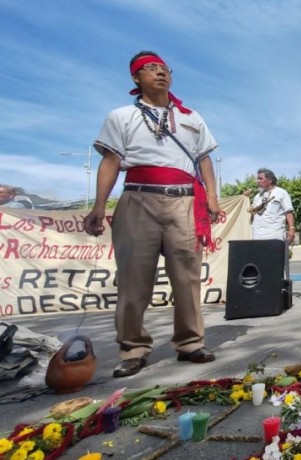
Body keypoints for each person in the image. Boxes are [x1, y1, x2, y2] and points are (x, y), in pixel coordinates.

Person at [83, 50, 221, 378]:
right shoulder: (120, 116)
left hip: (184, 201)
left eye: (164, 69)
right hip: (138, 200)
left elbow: (204, 160)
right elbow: (111, 161)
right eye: (150, 69)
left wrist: (212, 200)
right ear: (135, 78)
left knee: (187, 277)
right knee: (134, 279)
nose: (160, 73)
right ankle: (132, 349)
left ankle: (190, 343)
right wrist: (100, 205)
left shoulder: (191, 117)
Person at [245, 168, 295, 279]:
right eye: (257, 179)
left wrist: (291, 228)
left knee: (277, 265)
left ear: (270, 180)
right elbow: (252, 214)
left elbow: (288, 212)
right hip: (258, 236)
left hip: (274, 235)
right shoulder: (257, 196)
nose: (258, 181)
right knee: (260, 265)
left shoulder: (281, 193)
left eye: (260, 178)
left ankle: (280, 290)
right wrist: (244, 199)